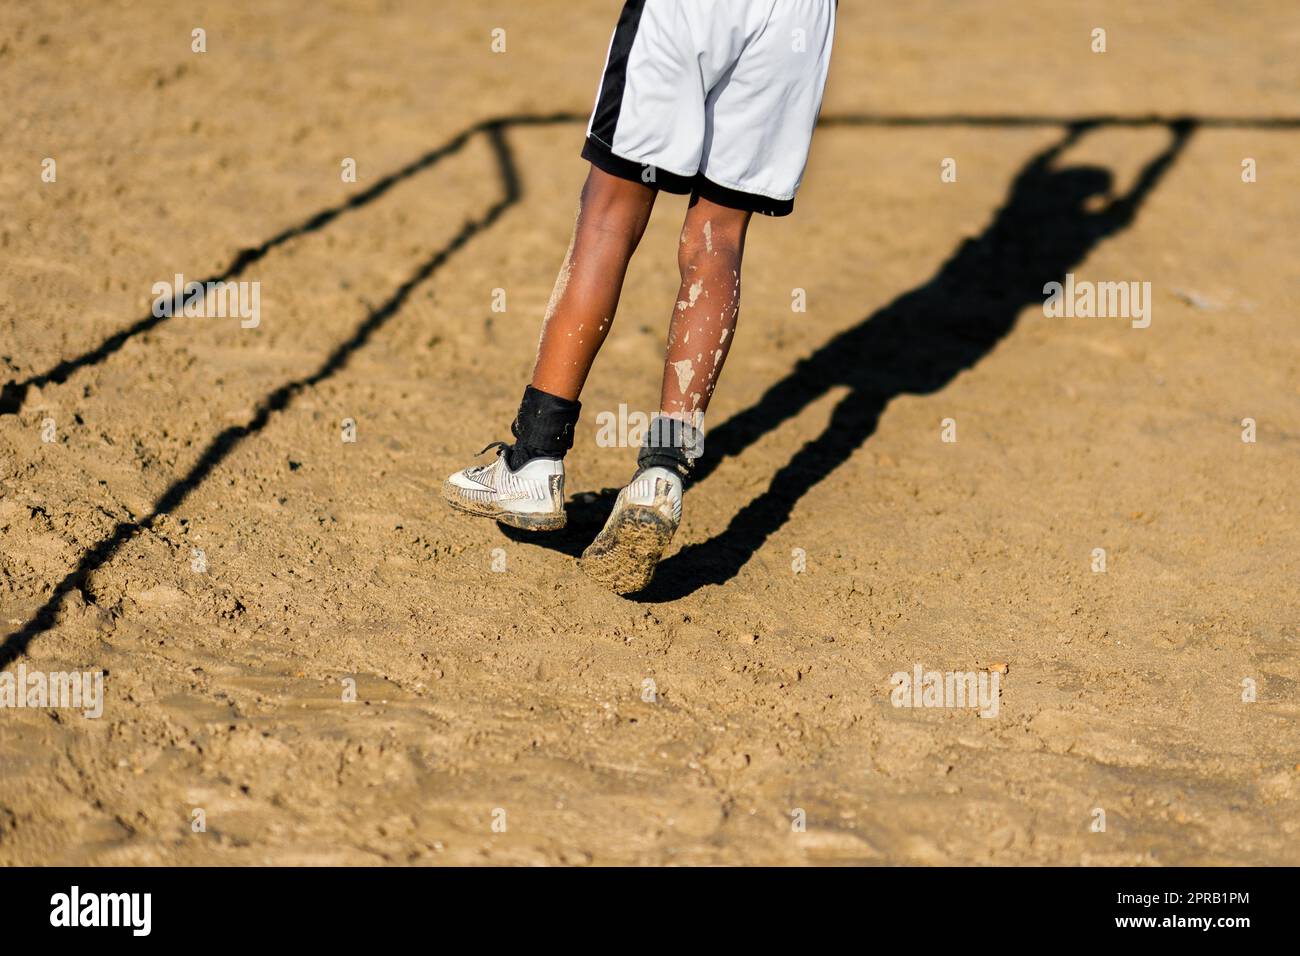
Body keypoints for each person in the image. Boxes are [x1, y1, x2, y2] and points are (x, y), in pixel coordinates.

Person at [443, 0, 837, 593]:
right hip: (796, 18)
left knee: (608, 217)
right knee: (719, 237)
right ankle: (664, 473)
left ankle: (535, 457)